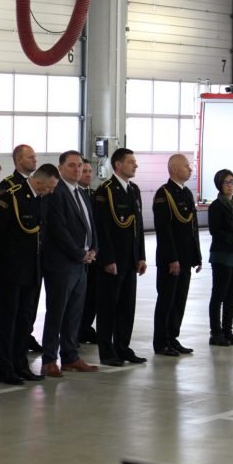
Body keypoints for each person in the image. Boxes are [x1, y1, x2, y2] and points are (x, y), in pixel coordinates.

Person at [0, 165, 58, 385]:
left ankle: (21, 364)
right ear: (38, 182)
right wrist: (4, 265)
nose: (51, 192)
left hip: (33, 269)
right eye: (49, 187)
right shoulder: (11, 197)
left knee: (25, 321)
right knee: (9, 321)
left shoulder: (41, 198)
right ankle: (6, 369)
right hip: (11, 271)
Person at [41, 151, 99, 377]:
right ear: (60, 168)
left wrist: (93, 248)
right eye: (72, 165)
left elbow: (90, 224)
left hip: (81, 264)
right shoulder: (56, 192)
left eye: (80, 166)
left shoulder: (81, 192)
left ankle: (70, 356)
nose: (77, 170)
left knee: (75, 313)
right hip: (61, 264)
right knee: (57, 313)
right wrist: (78, 253)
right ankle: (49, 359)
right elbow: (58, 229)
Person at [94, 148, 147, 367]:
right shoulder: (105, 191)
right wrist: (107, 259)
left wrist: (141, 256)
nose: (135, 166)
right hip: (113, 260)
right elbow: (101, 228)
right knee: (108, 308)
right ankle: (107, 352)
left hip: (130, 259)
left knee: (127, 307)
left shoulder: (133, 189)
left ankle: (123, 347)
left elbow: (138, 226)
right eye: (131, 162)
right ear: (118, 165)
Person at [152, 154, 202, 356]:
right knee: (167, 300)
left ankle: (173, 337)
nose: (190, 169)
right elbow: (164, 231)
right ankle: (161, 341)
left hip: (186, 258)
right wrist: (172, 258)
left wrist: (196, 256)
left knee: (180, 300)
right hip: (170, 260)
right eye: (186, 166)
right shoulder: (164, 194)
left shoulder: (186, 193)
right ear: (173, 169)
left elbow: (193, 228)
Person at [208, 169, 233, 347]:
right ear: (219, 185)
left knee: (231, 295)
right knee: (219, 295)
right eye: (226, 182)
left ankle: (227, 331)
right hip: (222, 256)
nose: (230, 185)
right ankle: (216, 333)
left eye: (232, 181)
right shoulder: (216, 206)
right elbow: (215, 231)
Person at [78, 159, 99, 344]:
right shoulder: (72, 195)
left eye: (90, 171)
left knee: (92, 294)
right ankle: (75, 330)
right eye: (84, 171)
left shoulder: (94, 195)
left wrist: (95, 249)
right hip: (77, 254)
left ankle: (85, 327)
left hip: (93, 254)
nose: (88, 174)